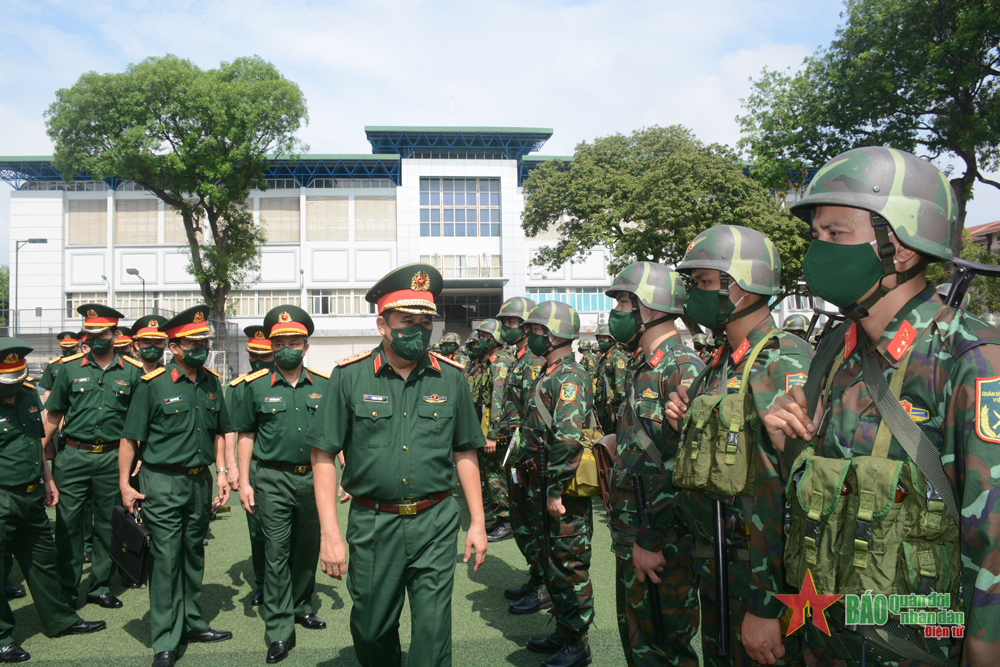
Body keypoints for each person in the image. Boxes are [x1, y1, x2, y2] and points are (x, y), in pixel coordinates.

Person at [763, 146, 1000, 667]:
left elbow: (993, 537)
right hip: (829, 640)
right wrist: (790, 446)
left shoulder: (969, 359)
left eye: (836, 234)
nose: (818, 249)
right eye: (816, 235)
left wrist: (985, 649)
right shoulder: (835, 352)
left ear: (901, 248)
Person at [306, 263, 487, 667]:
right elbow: (322, 456)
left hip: (436, 520)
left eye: (426, 322)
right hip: (373, 524)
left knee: (434, 629)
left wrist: (476, 520)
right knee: (371, 628)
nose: (418, 330)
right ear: (382, 324)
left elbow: (465, 452)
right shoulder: (349, 377)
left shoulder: (451, 378)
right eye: (407, 321)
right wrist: (330, 534)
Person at [665, 225, 812, 667]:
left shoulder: (780, 359)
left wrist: (767, 602)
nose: (695, 294)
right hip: (719, 567)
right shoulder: (721, 362)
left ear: (742, 287)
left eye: (706, 283)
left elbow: (789, 494)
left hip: (758, 576)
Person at [603, 262, 705, 667]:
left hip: (663, 538)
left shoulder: (681, 369)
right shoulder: (644, 366)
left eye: (626, 301)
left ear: (650, 307)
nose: (619, 311)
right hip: (635, 530)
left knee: (666, 649)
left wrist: (650, 538)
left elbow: (684, 467)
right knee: (640, 642)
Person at [119, 305, 232, 667]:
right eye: (193, 342)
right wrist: (124, 483)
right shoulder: (153, 385)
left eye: (204, 341)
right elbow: (130, 439)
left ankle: (193, 622)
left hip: (200, 482)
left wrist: (224, 471)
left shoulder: (212, 382)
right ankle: (165, 639)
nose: (201, 347)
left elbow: (219, 432)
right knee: (166, 559)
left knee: (193, 553)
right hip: (163, 481)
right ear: (175, 346)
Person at [0, 337, 108, 663]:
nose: (16, 387)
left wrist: (48, 480)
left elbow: (37, 442)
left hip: (32, 495)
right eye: (10, 382)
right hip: (3, 497)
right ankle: (3, 638)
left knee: (43, 563)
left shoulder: (29, 393)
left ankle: (60, 619)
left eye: (20, 379)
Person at [235, 306, 328, 663]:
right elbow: (245, 435)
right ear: (271, 347)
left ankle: (302, 605)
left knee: (307, 547)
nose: (287, 348)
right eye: (280, 343)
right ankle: (278, 629)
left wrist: (344, 472)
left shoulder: (324, 384)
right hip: (271, 478)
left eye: (294, 341)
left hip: (314, 478)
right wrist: (244, 480)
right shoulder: (254, 386)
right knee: (276, 552)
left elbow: (336, 435)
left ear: (306, 346)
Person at [41, 305, 143, 611]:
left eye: (103, 334)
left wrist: (140, 455)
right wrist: (39, 451)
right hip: (73, 456)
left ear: (115, 334)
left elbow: (138, 421)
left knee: (108, 525)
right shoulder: (69, 368)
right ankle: (68, 589)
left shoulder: (132, 371)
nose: (97, 339)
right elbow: (53, 413)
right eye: (92, 334)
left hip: (114, 458)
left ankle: (99, 586)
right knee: (69, 525)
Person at [520, 300, 594, 667]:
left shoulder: (570, 376)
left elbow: (567, 437)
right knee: (552, 562)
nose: (529, 337)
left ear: (551, 335)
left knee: (569, 565)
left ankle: (578, 643)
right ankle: (564, 632)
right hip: (543, 482)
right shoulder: (550, 372)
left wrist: (554, 490)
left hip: (561, 489)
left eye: (534, 331)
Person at [494, 297, 549, 613]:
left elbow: (536, 413)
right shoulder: (517, 359)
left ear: (527, 327)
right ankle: (535, 574)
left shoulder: (535, 361)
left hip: (530, 454)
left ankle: (544, 584)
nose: (505, 328)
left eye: (509, 323)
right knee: (521, 517)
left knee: (533, 519)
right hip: (515, 453)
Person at [225, 324, 274, 608]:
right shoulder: (239, 387)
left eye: (265, 356)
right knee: (257, 530)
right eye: (253, 355)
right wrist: (231, 466)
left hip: (286, 467)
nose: (258, 361)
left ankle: (290, 583)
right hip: (253, 465)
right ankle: (263, 583)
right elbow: (230, 428)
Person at [476, 319, 515, 542]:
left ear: (492, 340)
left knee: (495, 473)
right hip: (494, 425)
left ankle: (506, 520)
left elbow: (497, 399)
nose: (479, 341)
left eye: (482, 337)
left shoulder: (500, 362)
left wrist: (492, 435)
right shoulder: (495, 360)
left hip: (498, 429)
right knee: (494, 472)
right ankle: (502, 519)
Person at [594, 324, 627, 432]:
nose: (600, 341)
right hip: (602, 404)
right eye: (599, 339)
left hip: (611, 407)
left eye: (603, 338)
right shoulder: (604, 358)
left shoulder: (617, 358)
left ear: (612, 340)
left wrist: (616, 410)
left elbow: (620, 386)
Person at [37, 332, 80, 403]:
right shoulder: (53, 365)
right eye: (65, 347)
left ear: (78, 347)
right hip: (59, 406)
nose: (68, 349)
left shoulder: (86, 363)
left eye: (71, 347)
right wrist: (47, 410)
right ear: (61, 347)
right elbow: (48, 390)